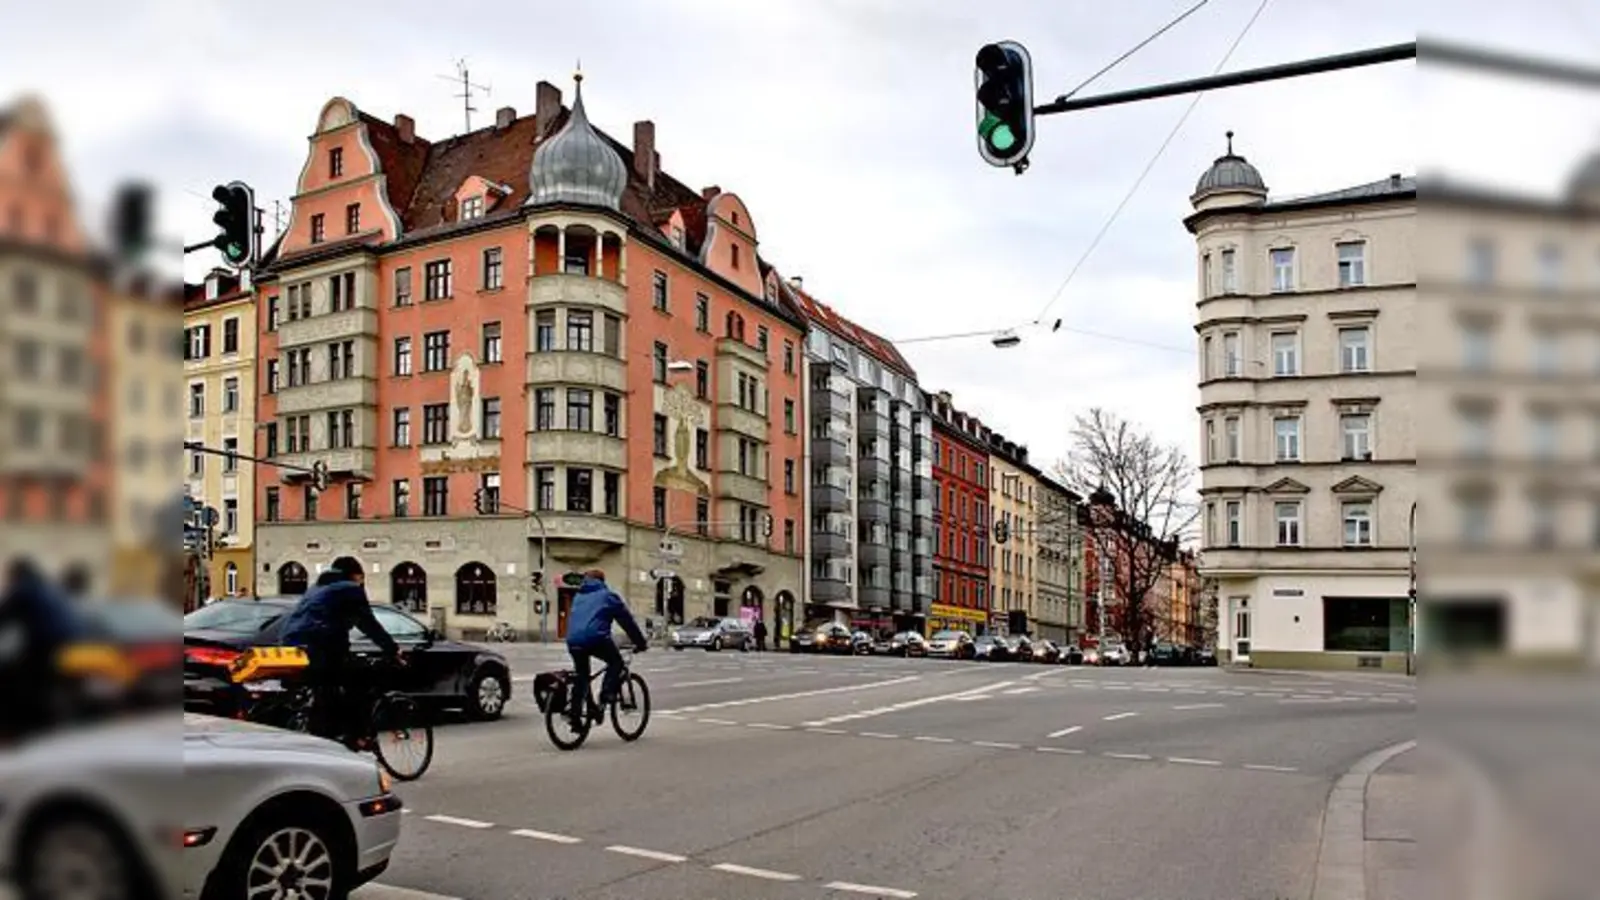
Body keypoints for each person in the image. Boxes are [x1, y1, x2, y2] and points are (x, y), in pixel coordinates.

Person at [277, 557, 402, 742]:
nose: (362, 582)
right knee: (360, 679)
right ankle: (354, 735)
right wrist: (391, 649)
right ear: (356, 575)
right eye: (361, 578)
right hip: (320, 646)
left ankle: (330, 729)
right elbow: (367, 623)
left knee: (329, 687)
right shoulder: (350, 589)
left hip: (292, 646)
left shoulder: (315, 588)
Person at [0, 558, 85, 740]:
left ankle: (22, 724)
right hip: (67, 640)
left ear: (17, 573)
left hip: (48, 640)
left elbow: (4, 612)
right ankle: (43, 717)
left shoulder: (25, 588)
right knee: (38, 674)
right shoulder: (46, 587)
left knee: (18, 675)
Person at [564, 569, 647, 725]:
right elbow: (627, 621)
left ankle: (575, 715)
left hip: (573, 640)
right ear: (602, 581)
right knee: (616, 663)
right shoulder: (608, 596)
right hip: (596, 638)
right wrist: (640, 642)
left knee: (582, 676)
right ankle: (606, 694)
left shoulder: (578, 596)